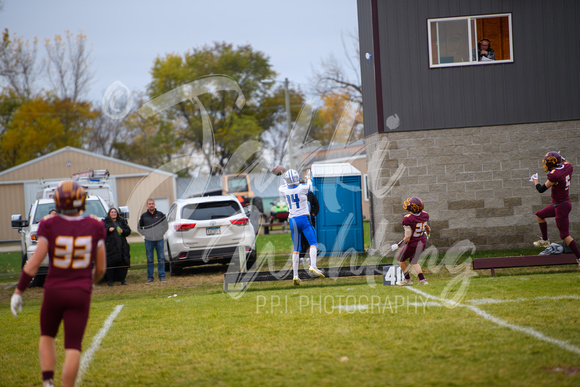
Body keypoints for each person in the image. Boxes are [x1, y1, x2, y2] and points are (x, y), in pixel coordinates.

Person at [10, 180, 106, 387]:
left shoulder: (49, 224)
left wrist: (19, 290)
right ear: (81, 202)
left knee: (47, 336)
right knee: (73, 346)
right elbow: (100, 269)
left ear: (57, 201)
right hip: (80, 291)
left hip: (54, 289)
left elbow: (33, 263)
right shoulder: (94, 225)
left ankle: (47, 382)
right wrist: (90, 282)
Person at [530, 152, 580, 265]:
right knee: (540, 215)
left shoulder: (554, 175)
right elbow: (564, 161)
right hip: (560, 204)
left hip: (561, 206)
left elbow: (541, 189)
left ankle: (579, 258)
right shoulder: (567, 166)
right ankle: (545, 241)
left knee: (564, 235)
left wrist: (535, 180)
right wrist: (557, 156)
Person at [279, 169, 325, 285]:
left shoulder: (283, 189)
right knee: (313, 243)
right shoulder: (303, 188)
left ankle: (295, 275)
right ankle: (313, 266)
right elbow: (309, 185)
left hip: (292, 220)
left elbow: (284, 186)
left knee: (296, 248)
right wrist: (308, 177)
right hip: (303, 218)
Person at [394, 197, 430, 286]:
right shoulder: (425, 215)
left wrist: (397, 245)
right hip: (422, 242)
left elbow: (407, 238)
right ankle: (423, 280)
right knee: (413, 261)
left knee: (400, 258)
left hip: (413, 243)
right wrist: (428, 235)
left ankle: (407, 280)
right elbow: (427, 228)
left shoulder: (407, 219)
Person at [138, 198, 168, 283]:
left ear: (154, 204)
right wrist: (145, 234)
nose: (151, 205)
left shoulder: (160, 214)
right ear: (147, 206)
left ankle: (162, 276)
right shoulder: (144, 216)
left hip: (159, 240)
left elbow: (166, 225)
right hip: (149, 240)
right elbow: (139, 228)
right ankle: (150, 277)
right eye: (149, 204)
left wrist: (161, 233)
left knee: (161, 258)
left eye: (152, 203)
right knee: (150, 259)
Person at [104, 207, 131, 286]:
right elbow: (101, 231)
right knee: (110, 264)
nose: (113, 213)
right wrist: (108, 230)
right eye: (112, 212)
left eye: (115, 212)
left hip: (121, 246)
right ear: (109, 214)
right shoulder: (106, 222)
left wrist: (123, 231)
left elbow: (128, 231)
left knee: (123, 262)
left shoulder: (121, 221)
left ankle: (122, 280)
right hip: (110, 247)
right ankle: (110, 281)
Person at [298, 179, 320, 266]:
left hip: (309, 220)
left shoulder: (310, 194)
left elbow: (316, 204)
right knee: (301, 238)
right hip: (300, 220)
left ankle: (309, 256)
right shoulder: (297, 194)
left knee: (309, 238)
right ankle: (301, 256)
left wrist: (313, 214)